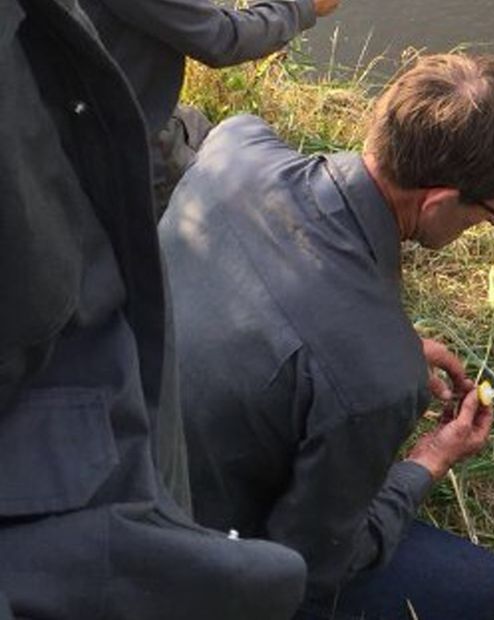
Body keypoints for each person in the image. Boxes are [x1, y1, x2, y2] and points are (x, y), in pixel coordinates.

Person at [158, 53, 494, 618]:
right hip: (190, 552)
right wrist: (428, 462)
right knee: (483, 586)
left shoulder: (236, 146)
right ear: (441, 201)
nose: (488, 227)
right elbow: (305, 569)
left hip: (123, 440)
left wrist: (381, 353)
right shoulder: (377, 384)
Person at [0, 0, 308, 617]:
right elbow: (221, 37)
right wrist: (302, 10)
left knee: (205, 133)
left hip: (112, 124)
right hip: (116, 152)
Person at [78, 0, 339, 213]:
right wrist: (303, 7)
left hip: (103, 104)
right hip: (121, 147)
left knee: (211, 134)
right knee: (243, 204)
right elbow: (223, 37)